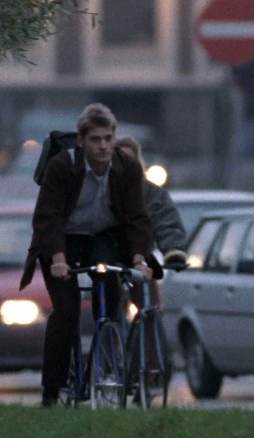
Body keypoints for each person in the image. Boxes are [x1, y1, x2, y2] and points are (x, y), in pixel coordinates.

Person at [20, 103, 155, 407]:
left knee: (108, 295)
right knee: (66, 312)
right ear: (81, 141)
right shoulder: (62, 165)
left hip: (102, 238)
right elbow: (48, 218)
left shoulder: (128, 167)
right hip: (62, 240)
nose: (104, 145)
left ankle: (105, 358)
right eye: (96, 139)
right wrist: (57, 258)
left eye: (108, 138)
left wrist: (138, 258)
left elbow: (137, 217)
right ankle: (52, 391)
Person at [115, 136, 188, 275]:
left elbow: (165, 220)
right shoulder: (100, 186)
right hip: (106, 255)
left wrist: (174, 251)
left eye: (130, 160)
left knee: (148, 288)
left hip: (142, 257)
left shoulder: (150, 192)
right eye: (120, 159)